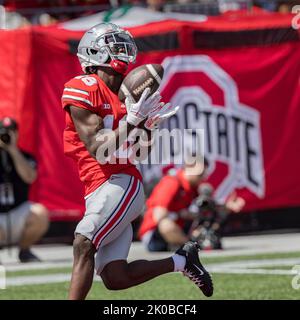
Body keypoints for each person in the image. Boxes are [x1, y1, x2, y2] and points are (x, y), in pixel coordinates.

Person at [61, 22, 213, 300]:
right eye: (113, 44)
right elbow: (97, 147)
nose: (121, 49)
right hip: (97, 187)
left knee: (83, 242)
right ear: (93, 51)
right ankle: (181, 261)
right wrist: (132, 120)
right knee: (115, 277)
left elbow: (140, 153)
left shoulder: (129, 96)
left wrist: (147, 127)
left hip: (122, 184)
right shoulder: (83, 86)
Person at [139, 158, 245, 251]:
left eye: (204, 173)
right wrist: (181, 214)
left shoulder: (193, 187)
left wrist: (227, 206)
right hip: (154, 236)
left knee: (205, 217)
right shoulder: (172, 182)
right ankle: (191, 246)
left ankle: (191, 244)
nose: (203, 177)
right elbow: (159, 215)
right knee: (166, 224)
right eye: (200, 173)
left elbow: (208, 208)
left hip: (178, 229)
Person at [0, 117, 49, 262]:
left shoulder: (26, 157)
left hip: (18, 211)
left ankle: (25, 250)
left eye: (11, 132)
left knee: (40, 213)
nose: (7, 135)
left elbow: (30, 177)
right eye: (4, 132)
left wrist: (13, 150)